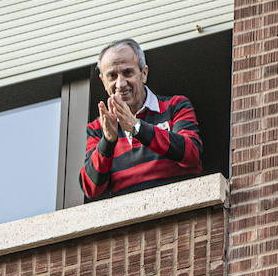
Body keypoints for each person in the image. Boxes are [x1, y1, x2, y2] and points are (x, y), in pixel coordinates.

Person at [80, 38, 202, 200]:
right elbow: (90, 188)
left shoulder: (175, 106)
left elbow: (192, 154)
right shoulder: (97, 128)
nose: (120, 83)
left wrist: (137, 127)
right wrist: (107, 142)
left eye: (127, 72)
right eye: (112, 76)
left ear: (143, 74)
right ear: (103, 82)